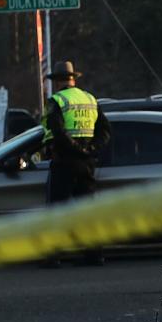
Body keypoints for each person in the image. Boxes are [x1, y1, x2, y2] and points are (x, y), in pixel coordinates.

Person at [42, 60, 111, 266]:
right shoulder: (90, 99)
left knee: (57, 211)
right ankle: (94, 255)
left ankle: (54, 257)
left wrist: (75, 148)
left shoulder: (57, 100)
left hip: (65, 161)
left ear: (57, 81)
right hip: (88, 162)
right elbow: (105, 130)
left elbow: (57, 131)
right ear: (73, 79)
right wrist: (90, 149)